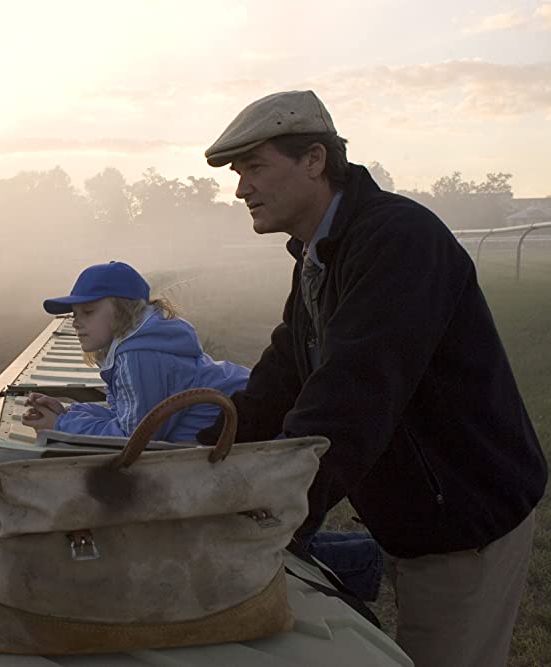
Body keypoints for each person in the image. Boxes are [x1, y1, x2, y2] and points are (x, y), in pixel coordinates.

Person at [198, 90, 546, 666]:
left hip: (463, 521)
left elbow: (353, 394)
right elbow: (281, 375)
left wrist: (277, 519)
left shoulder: (397, 238)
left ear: (314, 160)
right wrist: (196, 457)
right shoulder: (321, 251)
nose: (241, 189)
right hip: (415, 516)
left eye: (255, 167)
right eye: (238, 173)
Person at [21, 261, 250, 442]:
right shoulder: (137, 348)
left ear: (123, 311)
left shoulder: (140, 357)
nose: (76, 323)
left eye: (88, 312)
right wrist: (66, 413)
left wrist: (61, 426)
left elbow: (134, 438)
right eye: (74, 314)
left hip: (261, 423)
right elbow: (125, 417)